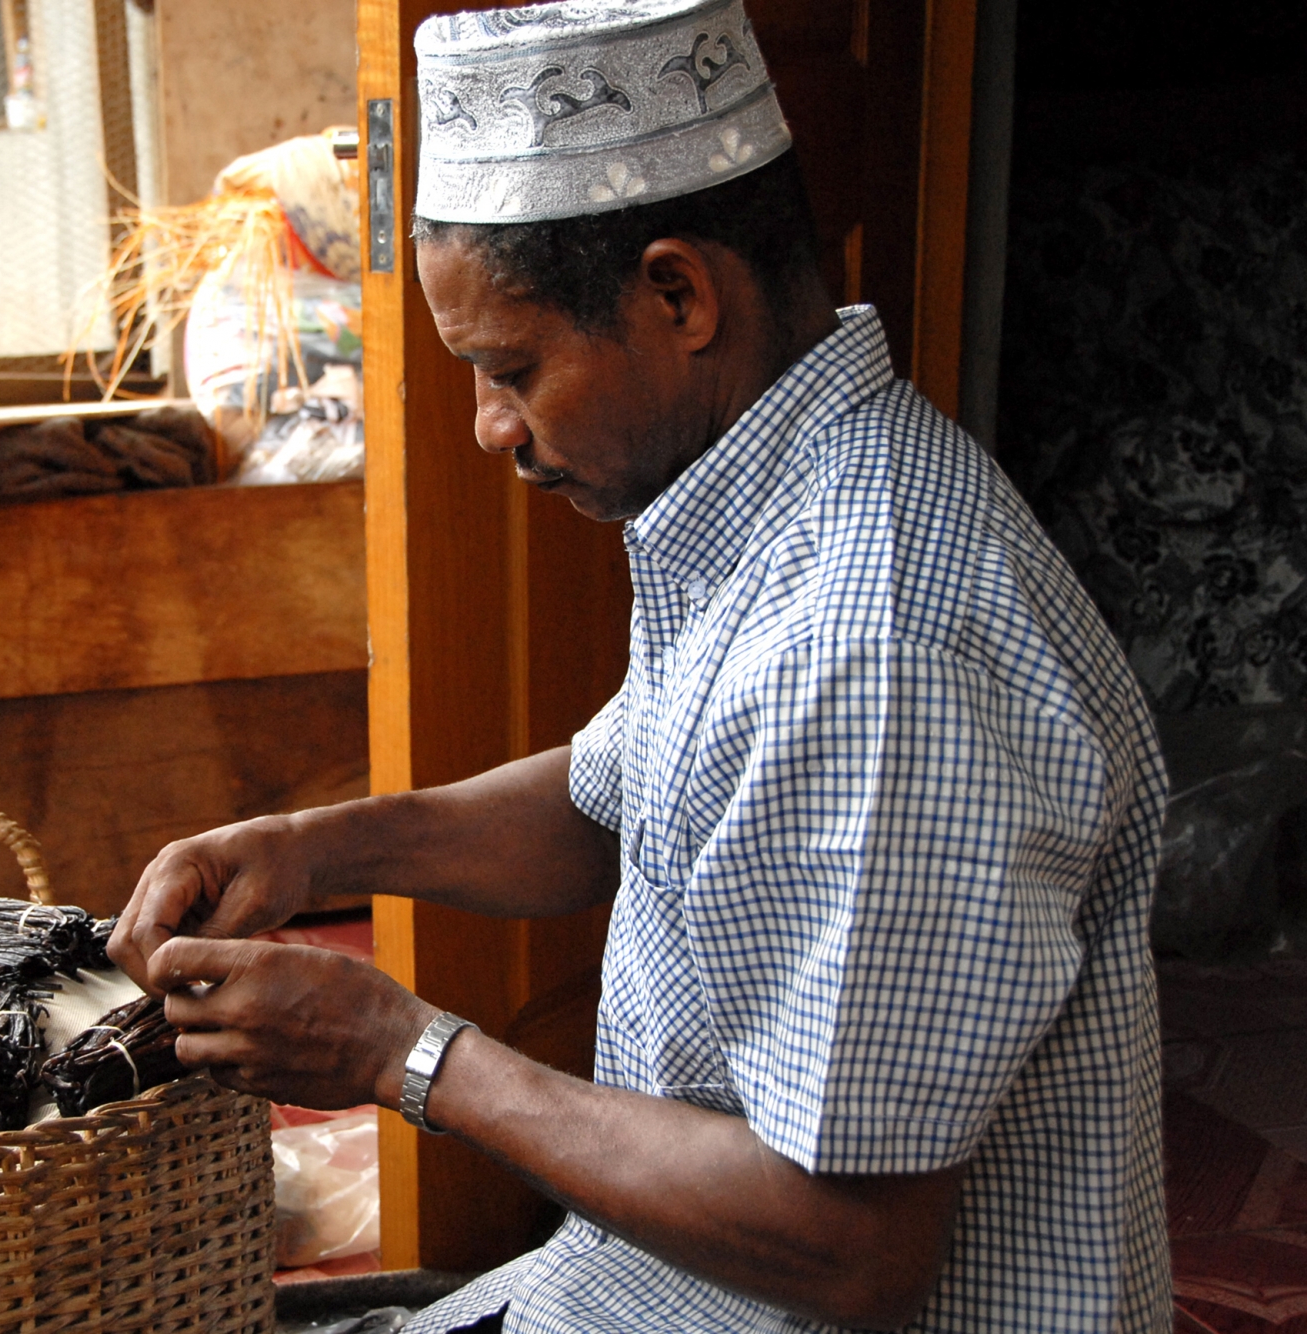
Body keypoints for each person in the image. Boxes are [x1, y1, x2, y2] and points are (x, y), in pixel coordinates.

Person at [109, 2, 1171, 1330]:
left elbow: (854, 1246)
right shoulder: (762, 512)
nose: (491, 427)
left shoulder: (881, 640)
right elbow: (620, 804)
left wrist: (404, 1049)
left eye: (510, 367)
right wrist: (314, 849)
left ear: (679, 295)